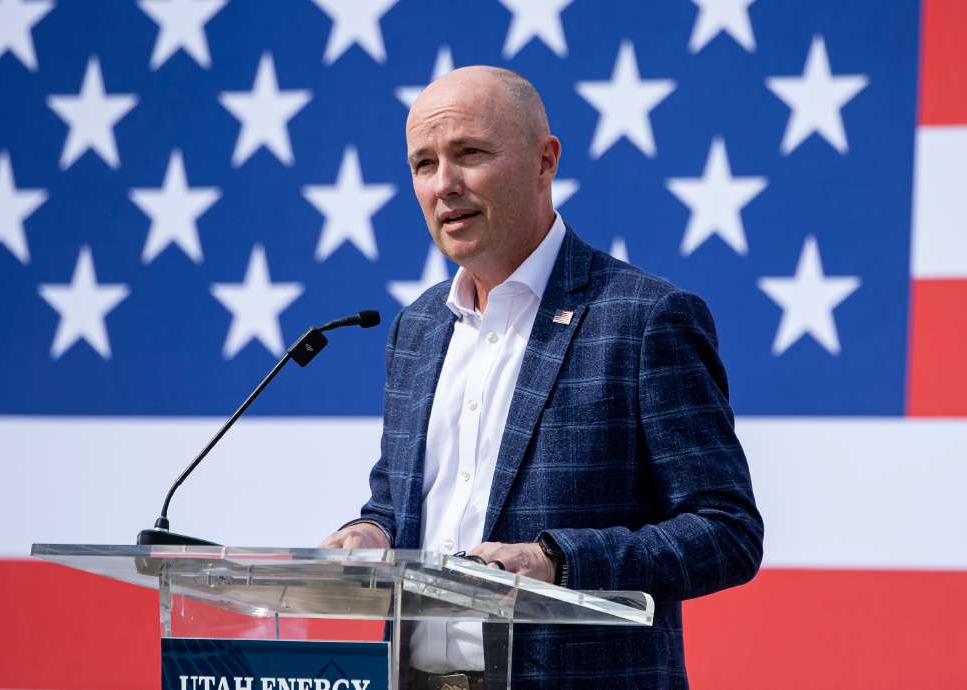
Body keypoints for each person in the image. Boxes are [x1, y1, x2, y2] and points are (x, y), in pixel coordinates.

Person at [320, 66, 762, 689]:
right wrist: (370, 533)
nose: (444, 184)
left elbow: (727, 532)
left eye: (469, 153)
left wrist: (557, 560)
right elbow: (399, 509)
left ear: (544, 161)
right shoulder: (417, 329)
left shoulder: (643, 318)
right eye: (423, 164)